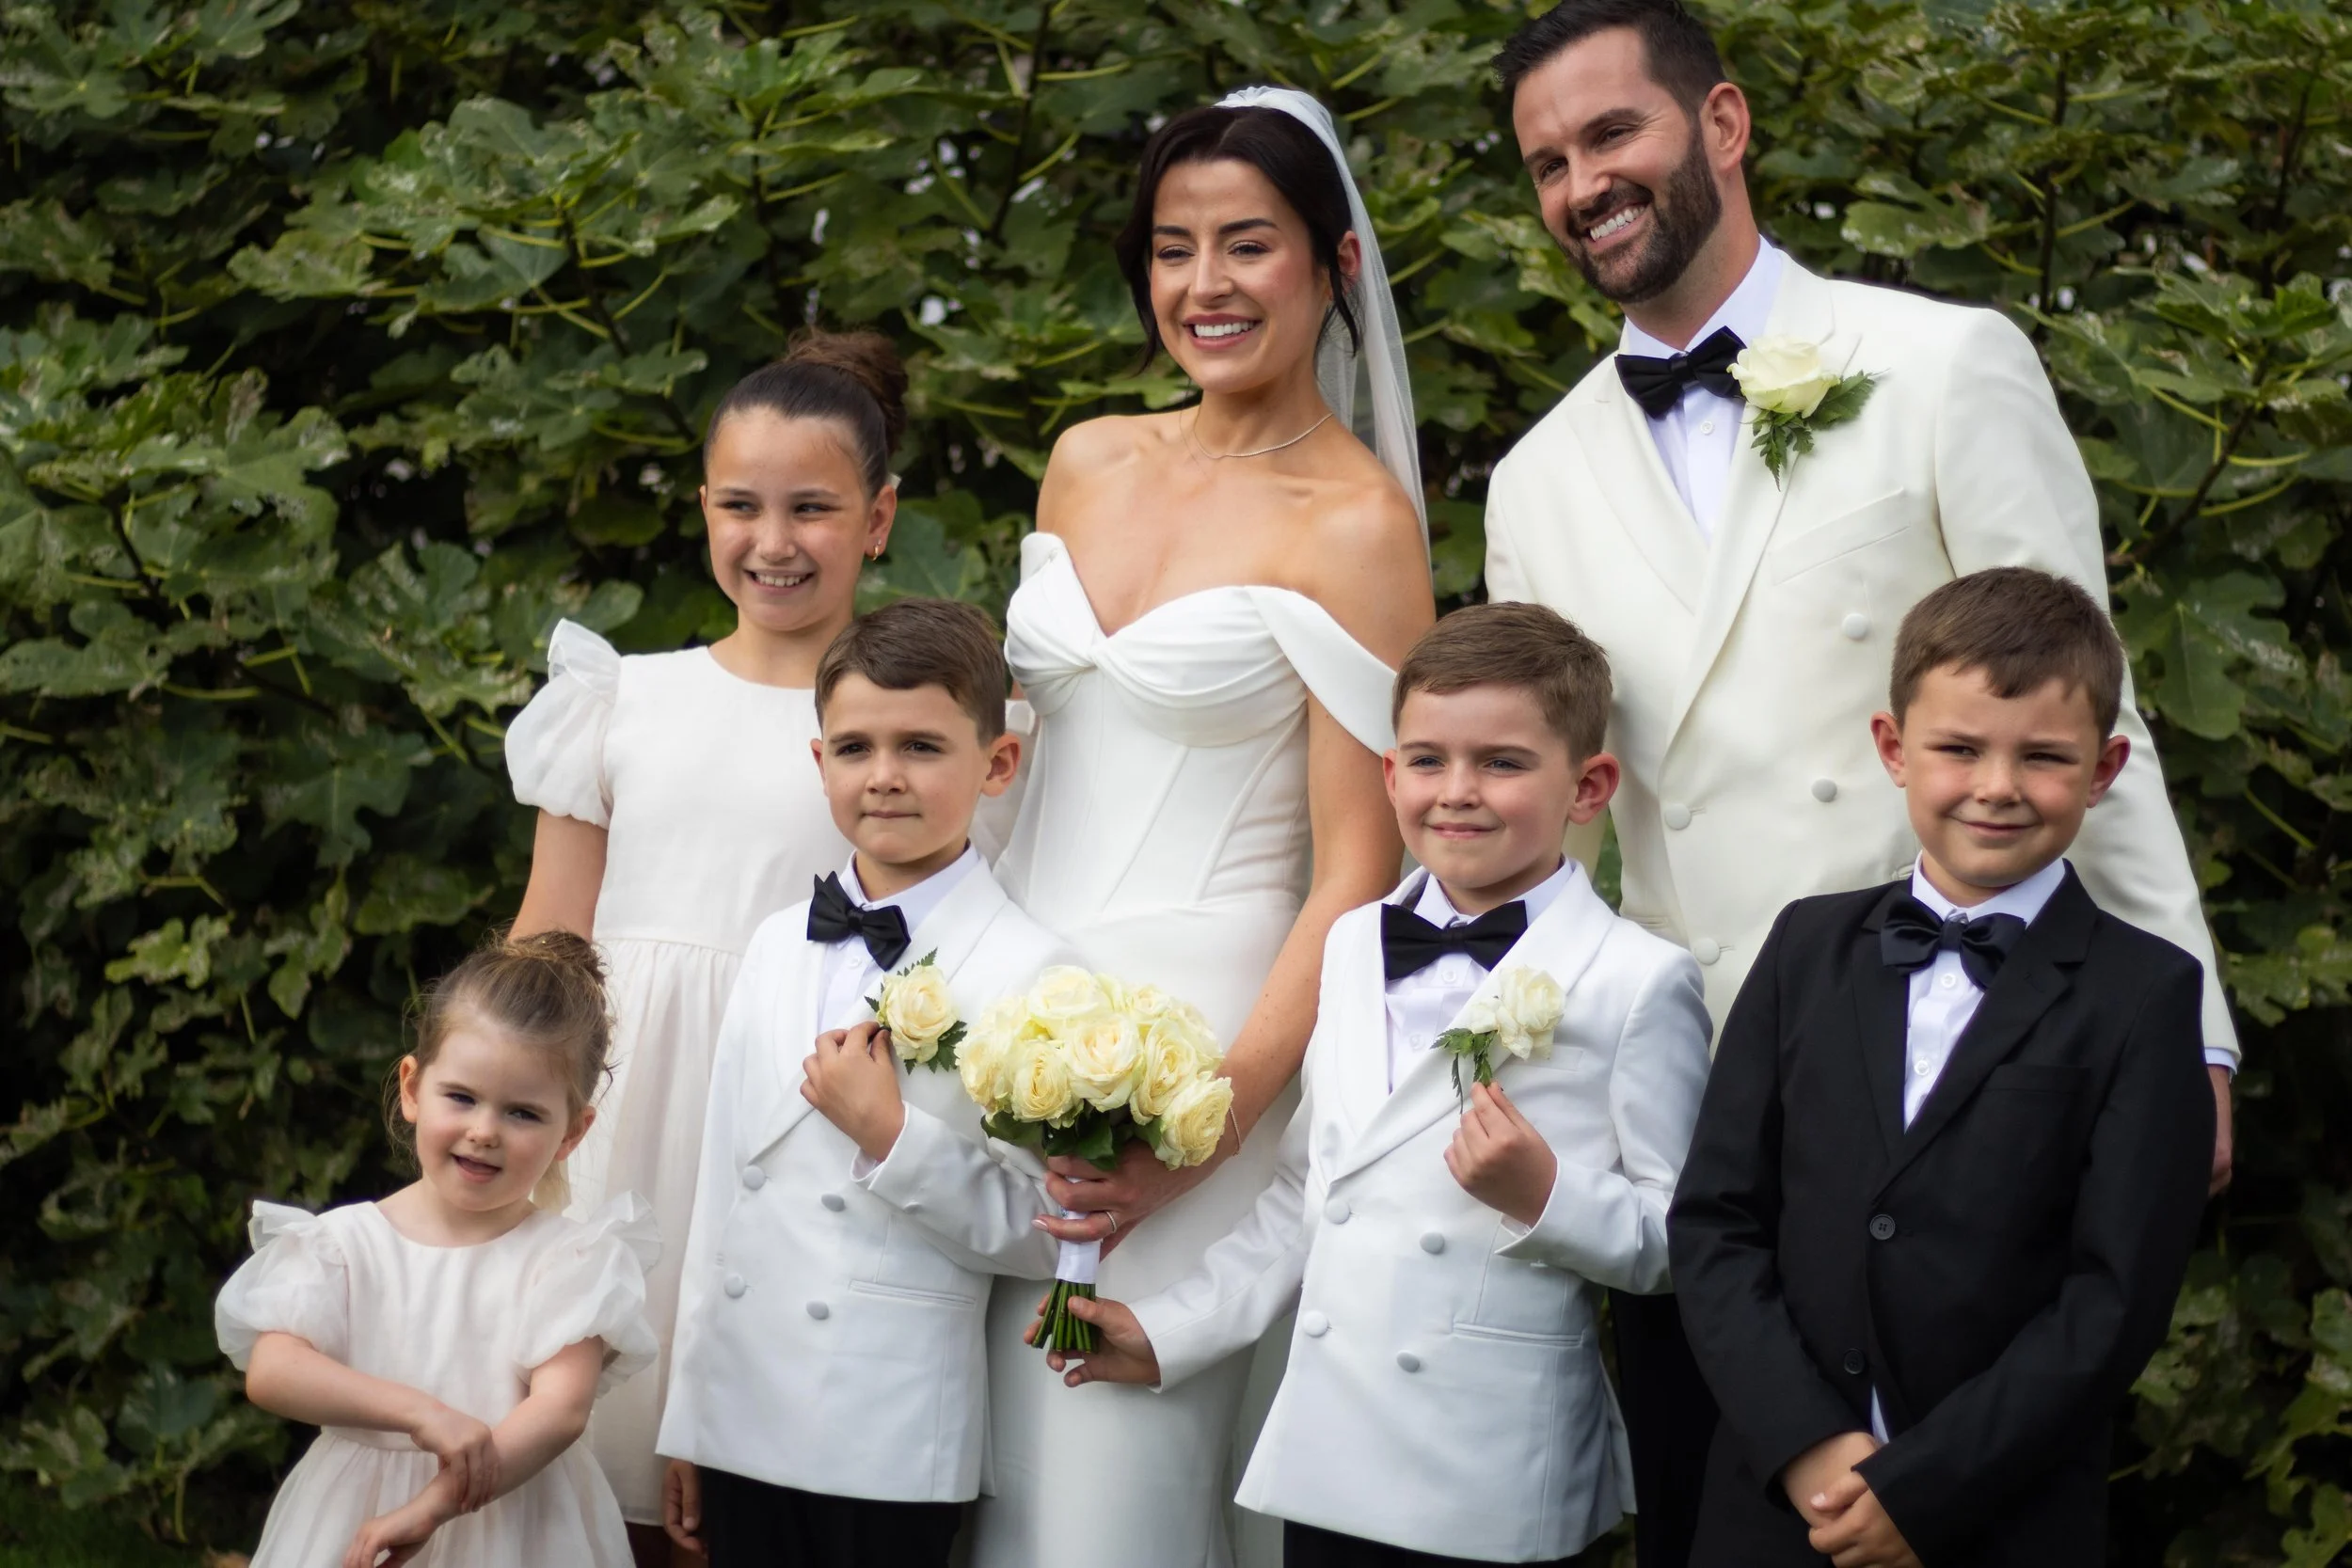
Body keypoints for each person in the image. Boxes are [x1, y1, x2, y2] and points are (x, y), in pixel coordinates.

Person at [1480, 4, 2238, 1560]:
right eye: (1549, 162)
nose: (1584, 185)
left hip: (1964, 1081)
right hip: (1704, 1110)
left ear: (1725, 125)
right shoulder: (1538, 476)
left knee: (1982, 1495)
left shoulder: (1945, 362)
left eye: (1612, 133)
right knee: (1728, 1516)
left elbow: (2103, 715)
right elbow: (1567, 808)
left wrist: (2200, 1027)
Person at [971, 90, 1435, 1568]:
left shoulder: (1359, 528)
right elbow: (1019, 757)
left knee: (1110, 1486)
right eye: (1174, 249)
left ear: (1334, 264)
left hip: (1202, 1051)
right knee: (978, 1472)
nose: (1206, 285)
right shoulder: (1088, 455)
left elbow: (1361, 870)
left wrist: (1206, 1124)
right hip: (1002, 1027)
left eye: (1249, 245)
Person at [1044, 604, 1712, 1568]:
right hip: (1332, 1454)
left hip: (1495, 1468)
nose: (1459, 792)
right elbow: (1308, 1193)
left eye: (1504, 762)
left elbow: (1679, 1241)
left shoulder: (1637, 979)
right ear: (1389, 773)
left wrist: (1547, 1195)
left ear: (1589, 785)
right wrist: (1166, 1330)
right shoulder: (1353, 941)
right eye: (1428, 760)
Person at [1668, 567, 2215, 1567]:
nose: (1997, 786)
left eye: (2043, 757)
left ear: (2102, 769)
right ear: (1892, 748)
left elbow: (2112, 1297)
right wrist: (1808, 1444)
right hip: (1774, 1511)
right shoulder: (1803, 947)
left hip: (1994, 1519)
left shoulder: (2146, 995)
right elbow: (1715, 1219)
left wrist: (1923, 1488)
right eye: (1958, 748)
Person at [503, 331, 899, 1548]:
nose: (773, 540)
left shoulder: (896, 728)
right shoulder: (628, 697)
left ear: (878, 519)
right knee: (574, 1441)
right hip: (624, 1110)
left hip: (788, 1115)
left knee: (732, 1490)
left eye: (813, 508)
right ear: (703, 509)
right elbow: (550, 933)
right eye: (741, 504)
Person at [653, 599, 1076, 1567]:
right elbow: (721, 1186)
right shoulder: (770, 939)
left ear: (997, 763)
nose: (883, 775)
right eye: (854, 746)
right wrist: (689, 1416)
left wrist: (895, 1137)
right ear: (820, 763)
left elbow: (1051, 1224)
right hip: (740, 1410)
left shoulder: (1035, 971)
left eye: (922, 745)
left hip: (885, 1432)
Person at [215, 931, 659, 1568]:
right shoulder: (344, 1244)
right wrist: (421, 1414)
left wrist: (435, 1503)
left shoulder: (569, 1259)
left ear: (574, 1131)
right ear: (413, 1087)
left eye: (524, 1113)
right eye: (462, 1097)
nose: (484, 1131)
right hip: (350, 1520)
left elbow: (560, 1410)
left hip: (517, 1526)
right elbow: (274, 1369)